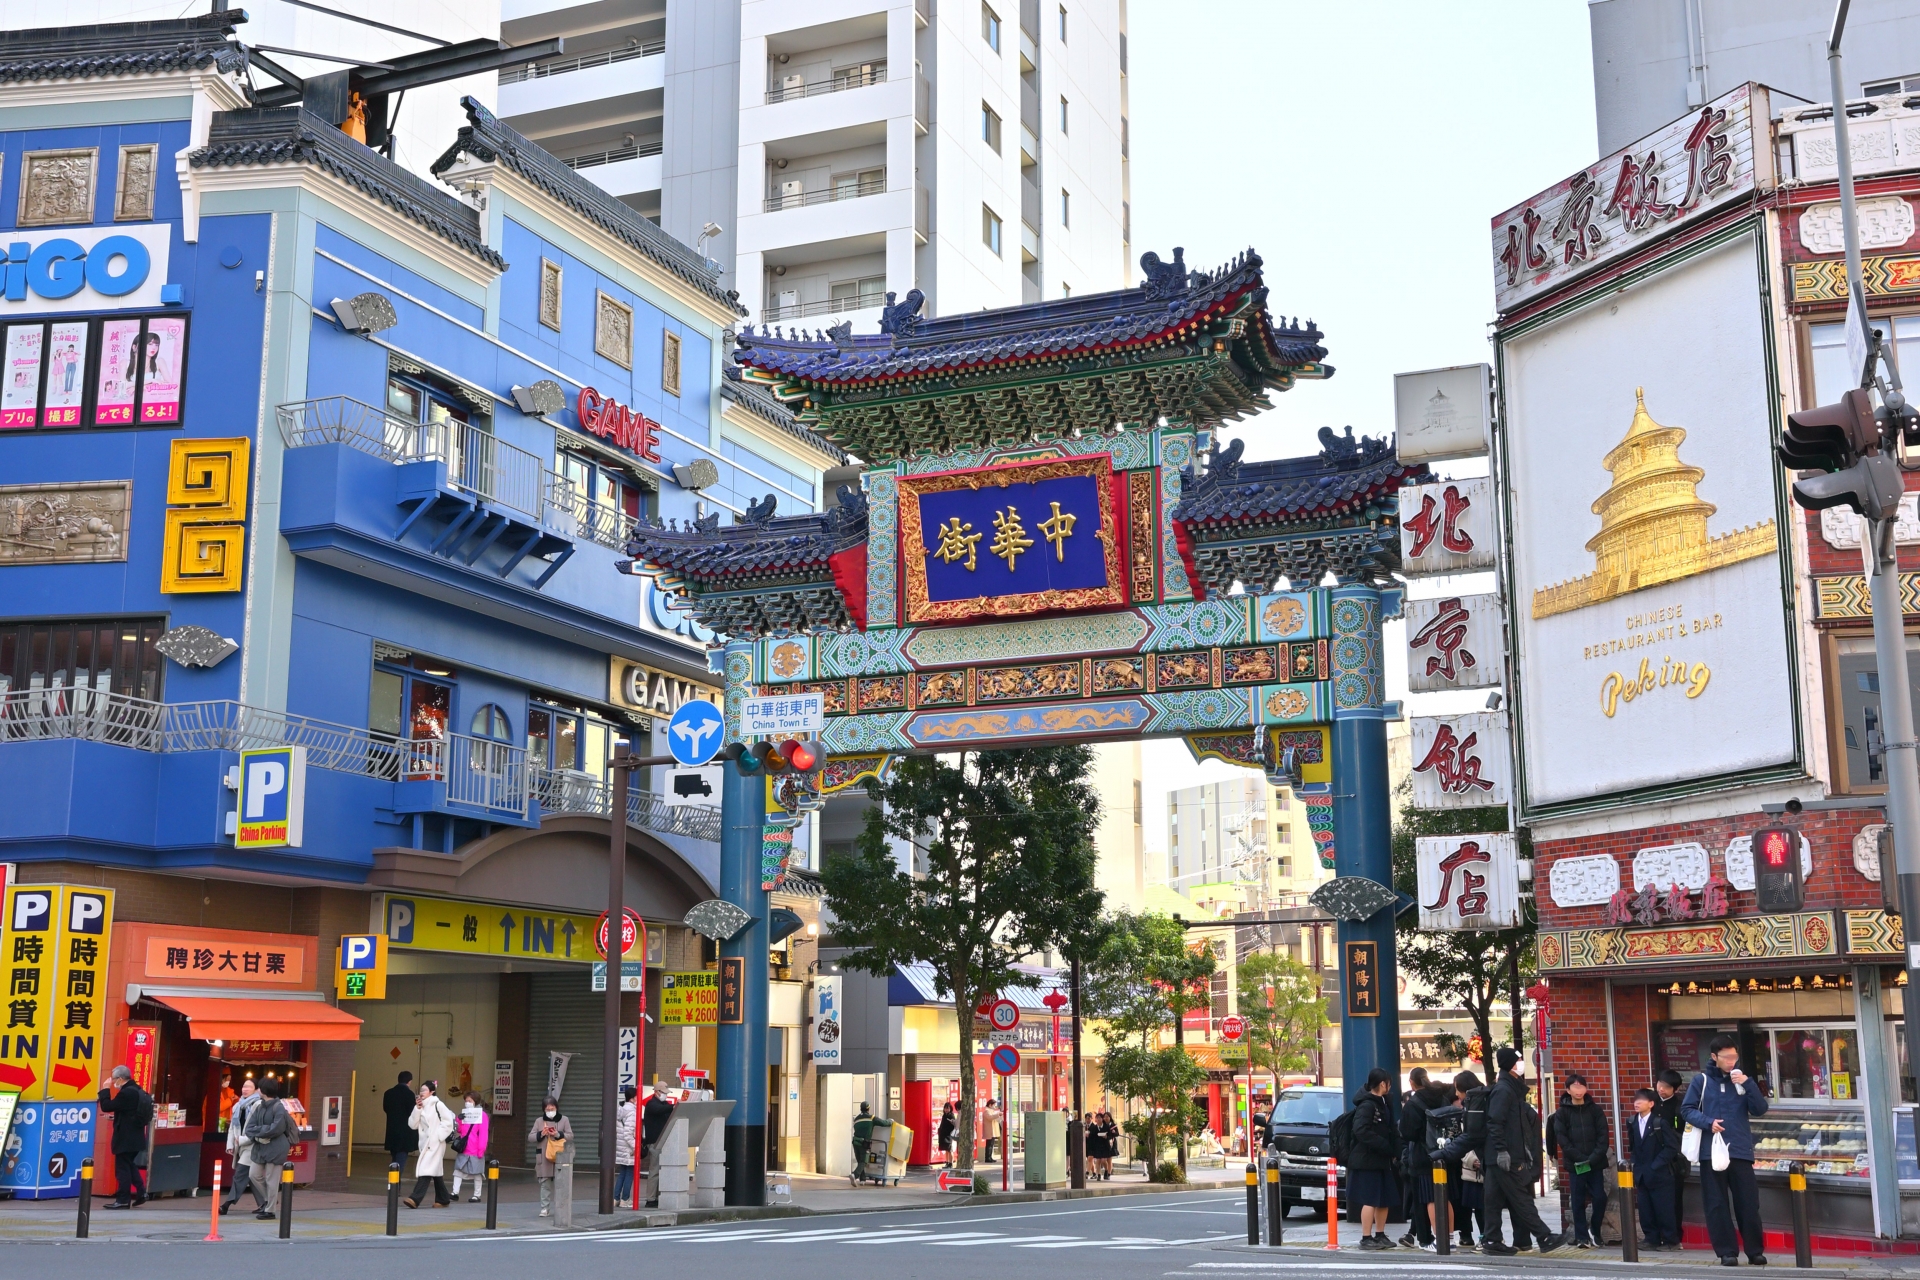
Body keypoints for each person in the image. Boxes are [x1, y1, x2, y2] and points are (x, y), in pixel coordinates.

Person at [1683, 1034, 1769, 1266]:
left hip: (1740, 1149)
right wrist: (1708, 1122)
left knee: (1749, 1203)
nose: (1732, 1061)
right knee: (1716, 1204)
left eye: (1734, 1056)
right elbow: (1687, 1110)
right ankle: (1727, 1252)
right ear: (1714, 1057)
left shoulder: (1741, 1081)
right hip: (1711, 1151)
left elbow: (1760, 1109)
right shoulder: (1700, 1081)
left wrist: (1747, 1083)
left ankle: (1755, 1251)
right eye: (1726, 1057)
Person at [1482, 1047, 1564, 1255]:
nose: (1521, 1063)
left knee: (1493, 1199)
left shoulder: (1508, 1088)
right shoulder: (1504, 1090)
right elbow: (1495, 1122)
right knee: (1521, 1196)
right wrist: (1502, 1150)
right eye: (1518, 1060)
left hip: (1499, 1156)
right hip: (1506, 1155)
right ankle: (1544, 1236)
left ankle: (1491, 1240)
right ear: (1510, 1065)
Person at [1547, 1072, 1611, 1248]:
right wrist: (1581, 1159)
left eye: (1581, 1086)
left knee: (1599, 1197)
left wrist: (1591, 1159)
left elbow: (1603, 1137)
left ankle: (1595, 1231)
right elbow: (1562, 1140)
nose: (1578, 1089)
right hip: (1576, 1165)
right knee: (1577, 1199)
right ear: (1567, 1090)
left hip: (1595, 1163)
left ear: (1586, 1088)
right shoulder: (1562, 1113)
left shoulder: (1595, 1110)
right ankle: (1581, 1236)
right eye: (1574, 1086)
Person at [1348, 1068, 1400, 1250]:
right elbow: (1360, 1130)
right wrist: (1383, 1144)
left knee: (1383, 1198)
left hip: (1380, 1159)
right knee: (1370, 1199)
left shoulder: (1383, 1102)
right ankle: (1366, 1237)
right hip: (1367, 1159)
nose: (1390, 1086)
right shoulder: (1367, 1105)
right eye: (1388, 1083)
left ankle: (1379, 1234)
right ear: (1382, 1084)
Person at [1401, 1075, 1452, 1250]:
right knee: (1445, 1197)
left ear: (1412, 1083)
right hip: (1444, 1152)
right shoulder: (1442, 1098)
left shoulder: (1413, 1104)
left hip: (1422, 1156)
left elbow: (1407, 1132)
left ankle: (1432, 1239)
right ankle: (1449, 1238)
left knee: (1428, 1198)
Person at [1629, 1087, 1682, 1250]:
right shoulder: (1631, 1121)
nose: (1636, 1103)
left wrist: (1656, 1164)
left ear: (1651, 1104)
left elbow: (1672, 1147)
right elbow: (1633, 1146)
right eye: (1635, 1100)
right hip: (1642, 1174)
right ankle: (1650, 1238)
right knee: (1645, 1209)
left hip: (1661, 1174)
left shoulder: (1659, 1123)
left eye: (1641, 1100)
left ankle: (1670, 1241)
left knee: (1664, 1209)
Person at [97, 1065, 153, 1209]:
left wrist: (105, 1089)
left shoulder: (126, 1093)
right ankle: (141, 1193)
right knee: (129, 1165)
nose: (112, 1081)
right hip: (136, 1136)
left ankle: (123, 1199)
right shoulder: (138, 1090)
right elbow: (128, 1111)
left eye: (114, 1079)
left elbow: (107, 1105)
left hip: (125, 1138)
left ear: (121, 1079)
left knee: (122, 1169)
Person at [244, 1077, 294, 1220]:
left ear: (263, 1091)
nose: (258, 1090)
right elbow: (249, 1128)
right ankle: (270, 1200)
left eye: (259, 1088)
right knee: (254, 1174)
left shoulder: (279, 1107)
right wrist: (260, 1134)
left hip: (276, 1147)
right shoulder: (259, 1106)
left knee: (271, 1179)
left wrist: (259, 1131)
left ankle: (270, 1210)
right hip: (261, 1146)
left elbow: (277, 1128)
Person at [404, 1081, 457, 1207]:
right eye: (421, 1090)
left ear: (431, 1092)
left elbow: (448, 1122)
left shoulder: (438, 1104)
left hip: (436, 1143)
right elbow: (412, 1125)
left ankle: (415, 1198)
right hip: (425, 1144)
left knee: (426, 1169)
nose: (421, 1093)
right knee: (435, 1171)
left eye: (424, 1090)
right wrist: (417, 1108)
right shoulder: (420, 1106)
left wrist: (438, 1136)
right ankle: (443, 1199)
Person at [221, 1078, 266, 1215]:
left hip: (253, 1146)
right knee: (252, 1176)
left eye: (249, 1087)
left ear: (256, 1090)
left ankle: (226, 1204)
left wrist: (242, 1140)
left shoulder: (259, 1105)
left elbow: (258, 1129)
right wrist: (230, 1144)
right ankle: (266, 1201)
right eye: (243, 1086)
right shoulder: (238, 1106)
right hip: (240, 1145)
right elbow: (232, 1128)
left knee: (240, 1174)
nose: (245, 1089)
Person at [1655, 1070, 1688, 1246]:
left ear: (1675, 1089)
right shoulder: (1651, 1102)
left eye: (1666, 1087)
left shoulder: (1680, 1106)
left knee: (1674, 1199)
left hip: (1674, 1160)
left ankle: (1674, 1236)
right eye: (1660, 1084)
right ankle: (1657, 1235)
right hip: (1655, 1158)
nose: (1661, 1089)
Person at [529, 1097, 573, 1219]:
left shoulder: (564, 1120)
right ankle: (545, 1208)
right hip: (544, 1157)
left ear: (556, 1108)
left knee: (561, 1183)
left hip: (559, 1155)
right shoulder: (539, 1121)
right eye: (547, 1109)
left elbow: (570, 1135)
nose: (550, 1111)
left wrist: (558, 1134)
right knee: (545, 1184)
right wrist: (541, 1134)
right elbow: (531, 1137)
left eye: (552, 1108)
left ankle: (561, 1207)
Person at [452, 1090, 490, 1203]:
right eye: (466, 1100)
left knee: (477, 1173)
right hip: (464, 1149)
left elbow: (483, 1134)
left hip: (475, 1149)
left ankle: (476, 1195)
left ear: (475, 1101)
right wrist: (459, 1119)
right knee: (458, 1171)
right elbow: (459, 1129)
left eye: (469, 1100)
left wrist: (481, 1149)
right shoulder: (465, 1114)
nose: (467, 1103)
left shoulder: (482, 1115)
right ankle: (455, 1192)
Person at [383, 1071, 419, 1168]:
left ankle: (393, 1181)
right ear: (409, 1081)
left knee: (394, 1158)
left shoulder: (388, 1093)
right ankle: (395, 1181)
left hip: (391, 1130)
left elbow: (385, 1109)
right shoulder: (409, 1094)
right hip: (405, 1132)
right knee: (401, 1160)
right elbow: (412, 1112)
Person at [613, 1084, 638, 1205]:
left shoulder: (621, 1109)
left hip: (621, 1146)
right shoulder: (632, 1112)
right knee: (629, 1173)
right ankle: (625, 1199)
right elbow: (628, 1133)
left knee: (622, 1172)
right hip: (628, 1148)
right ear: (632, 1098)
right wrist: (635, 1147)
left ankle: (615, 1198)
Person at [981, 1099, 1002, 1163]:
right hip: (990, 1130)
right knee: (989, 1145)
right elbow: (990, 1117)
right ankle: (987, 1157)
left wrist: (999, 1116)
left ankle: (990, 1157)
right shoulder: (986, 1111)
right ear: (990, 1105)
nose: (994, 1106)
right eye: (994, 1105)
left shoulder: (992, 1111)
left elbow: (996, 1119)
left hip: (993, 1130)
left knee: (991, 1144)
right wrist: (998, 1114)